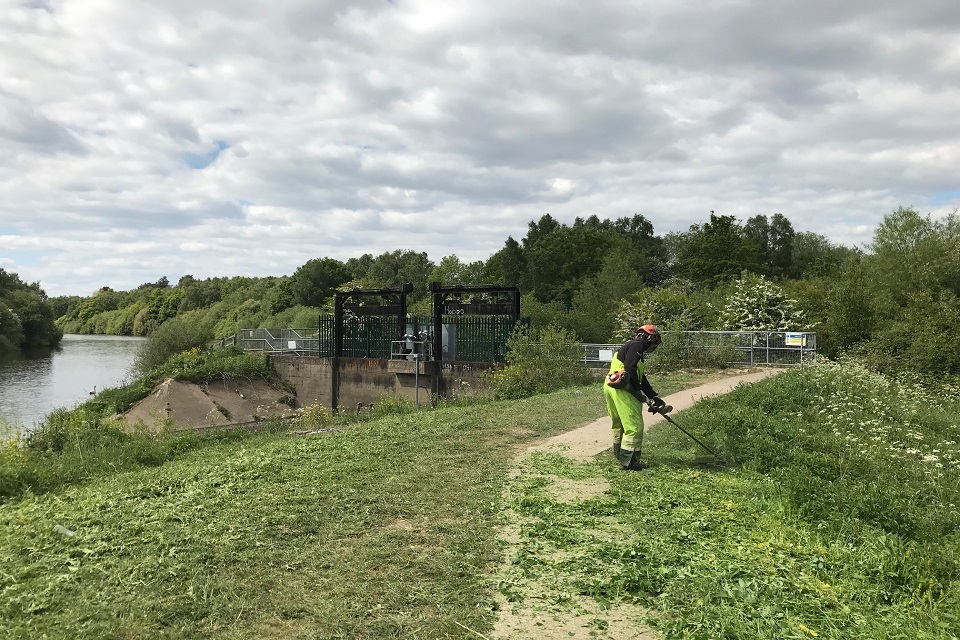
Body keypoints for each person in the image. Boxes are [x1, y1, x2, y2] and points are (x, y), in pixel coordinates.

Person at [603, 324, 671, 470]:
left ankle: (620, 455)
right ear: (648, 337)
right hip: (624, 389)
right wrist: (637, 391)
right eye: (654, 339)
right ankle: (629, 462)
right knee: (634, 426)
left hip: (612, 386)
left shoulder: (632, 349)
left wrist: (653, 396)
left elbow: (641, 377)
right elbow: (629, 369)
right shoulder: (637, 345)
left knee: (619, 423)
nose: (653, 344)